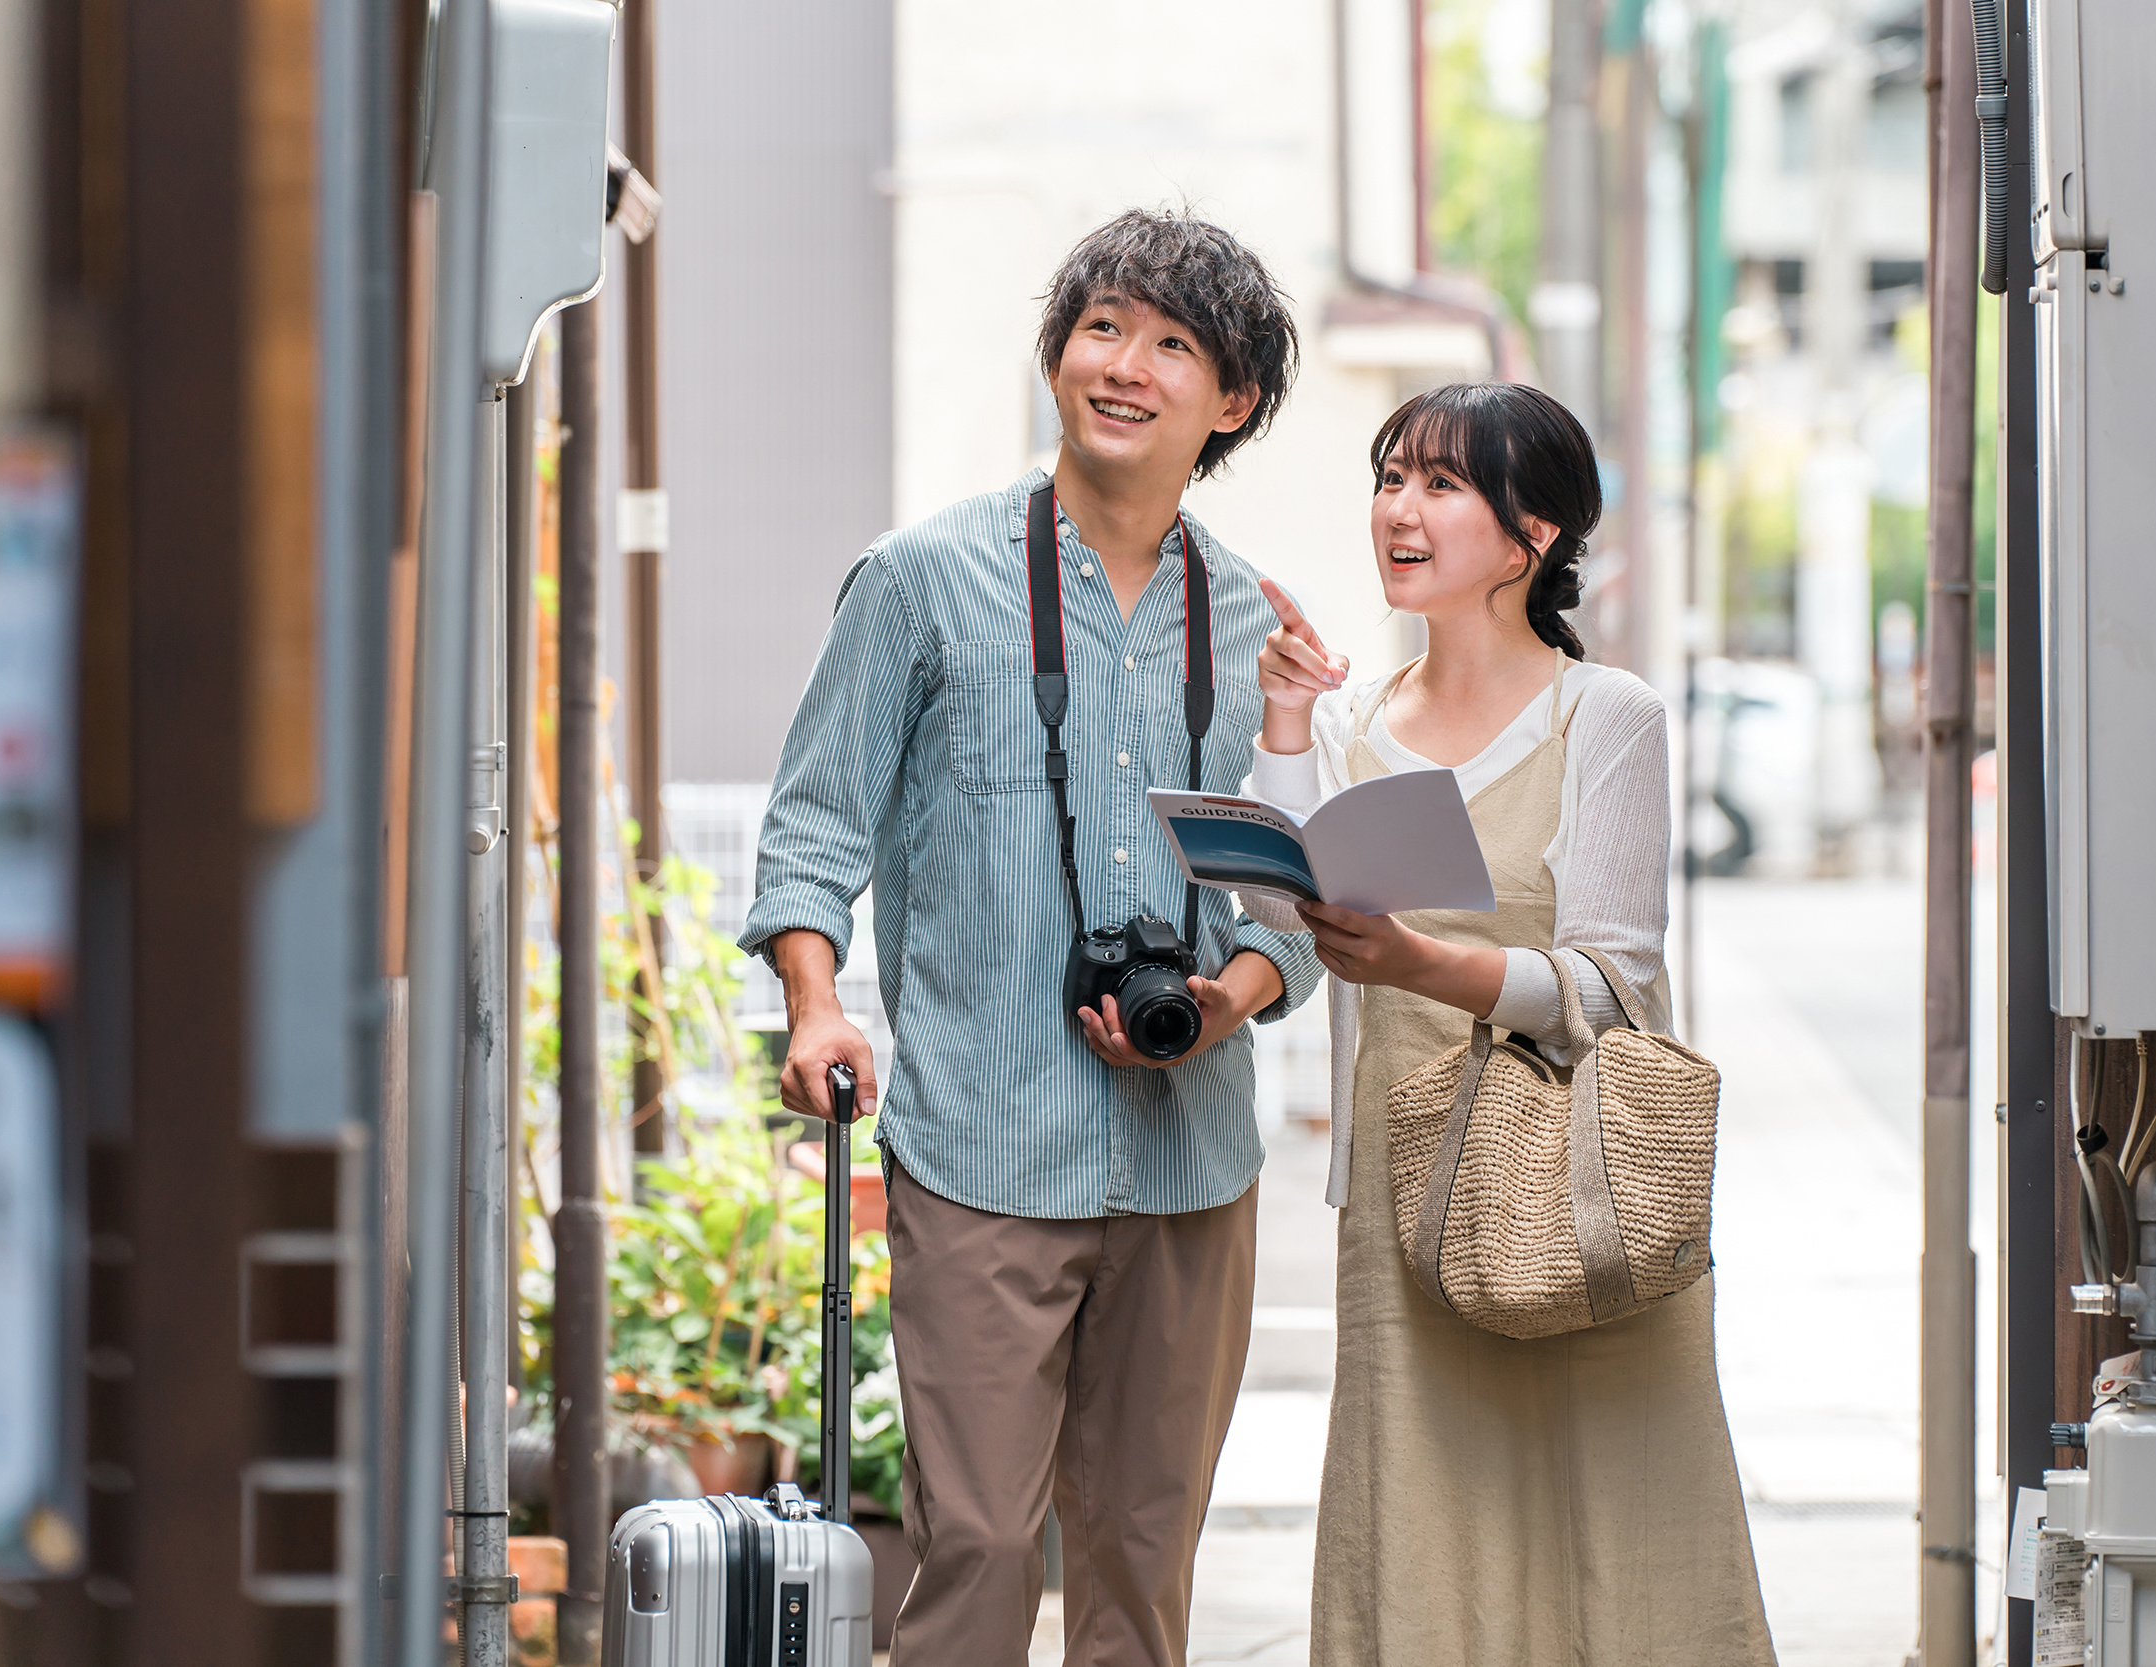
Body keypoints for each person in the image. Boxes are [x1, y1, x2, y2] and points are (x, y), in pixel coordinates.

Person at [741, 207, 1324, 1667]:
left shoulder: (1254, 621)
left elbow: (1291, 906)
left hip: (1191, 1159)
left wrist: (1230, 995)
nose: (1124, 366)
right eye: (1102, 329)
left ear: (1231, 401)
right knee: (982, 1545)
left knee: (1140, 1558)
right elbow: (812, 825)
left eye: (1172, 345)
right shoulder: (921, 580)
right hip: (983, 1144)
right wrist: (815, 1002)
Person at [1244, 383, 1776, 1665]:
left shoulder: (1605, 715)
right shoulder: (1358, 724)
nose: (1399, 511)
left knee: (1622, 1513)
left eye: (1440, 484)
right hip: (1407, 1183)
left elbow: (1610, 983)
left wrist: (1426, 961)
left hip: (1576, 1173)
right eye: (1390, 479)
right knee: (1419, 1520)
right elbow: (1280, 903)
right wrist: (1284, 724)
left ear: (1532, 531)